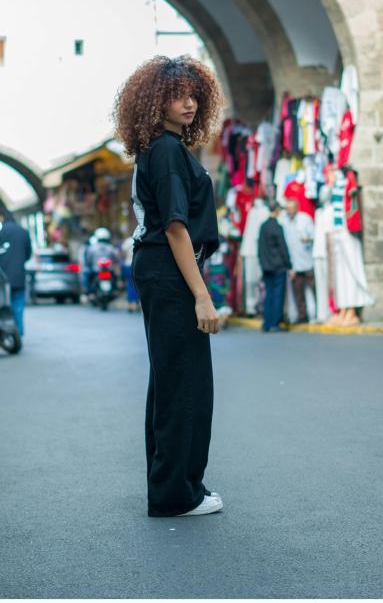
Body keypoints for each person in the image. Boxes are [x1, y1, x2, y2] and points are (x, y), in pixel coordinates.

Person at [112, 54, 226, 517]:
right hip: (170, 269)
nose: (190, 103)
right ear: (154, 101)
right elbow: (177, 228)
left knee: (170, 380)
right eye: (177, 95)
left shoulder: (163, 150)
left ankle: (173, 485)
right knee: (185, 384)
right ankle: (178, 494)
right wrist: (202, 295)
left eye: (194, 95)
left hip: (159, 269)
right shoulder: (167, 152)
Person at [0, 209, 32, 337]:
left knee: (3, 305)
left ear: (1, 218)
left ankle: (6, 332)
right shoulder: (23, 232)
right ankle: (18, 333)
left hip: (0, 278)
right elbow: (28, 254)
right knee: (18, 306)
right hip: (19, 276)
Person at [257, 201, 292, 332]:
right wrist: (288, 264)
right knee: (278, 295)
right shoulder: (277, 227)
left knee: (269, 294)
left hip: (267, 266)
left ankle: (267, 322)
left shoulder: (263, 226)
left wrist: (262, 263)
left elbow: (260, 247)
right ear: (277, 211)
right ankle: (275, 323)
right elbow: (283, 247)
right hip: (278, 266)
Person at [280, 197, 315, 324]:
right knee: (298, 292)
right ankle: (302, 316)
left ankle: (315, 315)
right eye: (287, 209)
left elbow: (314, 236)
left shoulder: (305, 219)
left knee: (312, 289)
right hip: (294, 264)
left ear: (296, 208)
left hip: (308, 262)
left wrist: (308, 239)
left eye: (291, 208)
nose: (289, 211)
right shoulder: (284, 222)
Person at [121, 235, 139, 312]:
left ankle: (131, 303)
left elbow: (123, 253)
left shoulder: (128, 240)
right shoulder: (140, 238)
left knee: (130, 284)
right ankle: (136, 303)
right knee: (137, 284)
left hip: (128, 264)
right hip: (137, 264)